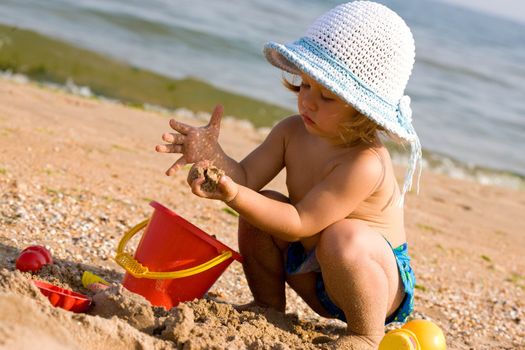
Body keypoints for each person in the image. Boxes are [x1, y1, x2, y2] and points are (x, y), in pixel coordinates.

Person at [156, 1, 421, 348]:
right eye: (305, 85)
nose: (307, 101)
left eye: (326, 96)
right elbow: (246, 177)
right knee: (261, 205)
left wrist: (234, 195)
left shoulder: (365, 162)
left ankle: (366, 336)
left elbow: (300, 222)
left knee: (342, 236)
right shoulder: (291, 131)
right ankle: (269, 305)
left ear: (364, 114)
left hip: (372, 284)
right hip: (312, 270)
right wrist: (215, 161)